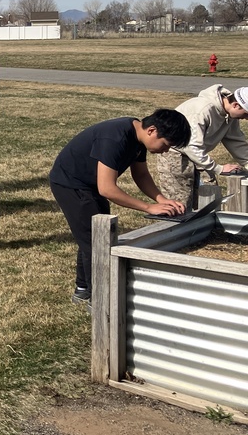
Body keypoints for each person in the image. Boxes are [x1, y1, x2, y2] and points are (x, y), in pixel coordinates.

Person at [49, 109, 191, 307]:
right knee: (97, 242)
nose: (165, 151)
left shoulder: (138, 137)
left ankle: (83, 290)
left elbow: (140, 175)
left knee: (96, 235)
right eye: (166, 145)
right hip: (71, 183)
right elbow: (107, 188)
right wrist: (148, 207)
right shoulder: (115, 138)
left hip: (90, 184)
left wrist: (161, 200)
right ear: (152, 130)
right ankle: (99, 302)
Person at [156, 85, 248, 207]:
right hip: (175, 154)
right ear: (236, 105)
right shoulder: (202, 110)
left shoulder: (230, 115)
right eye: (247, 114)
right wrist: (219, 169)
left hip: (199, 155)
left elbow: (236, 141)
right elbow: (192, 146)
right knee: (180, 203)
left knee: (210, 198)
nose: (246, 119)